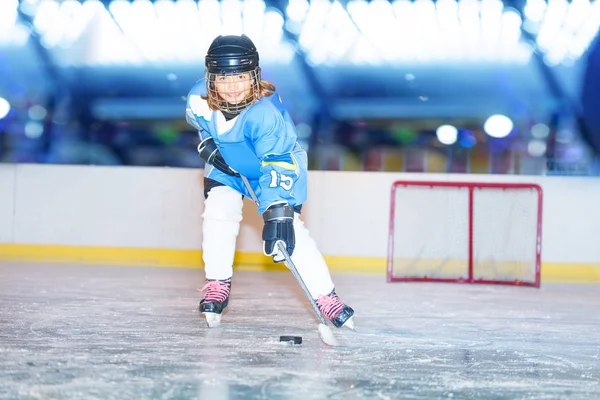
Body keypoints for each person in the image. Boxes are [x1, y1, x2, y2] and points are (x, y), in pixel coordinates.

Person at [185, 34, 355, 330]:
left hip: (274, 172)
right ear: (210, 79)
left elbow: (277, 161)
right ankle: (217, 281)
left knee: (289, 236)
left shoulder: (266, 115)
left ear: (254, 77)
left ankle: (326, 297)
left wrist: (277, 212)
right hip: (227, 167)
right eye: (223, 79)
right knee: (218, 213)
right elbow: (200, 124)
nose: (233, 87)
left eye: (240, 77)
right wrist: (207, 144)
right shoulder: (198, 98)